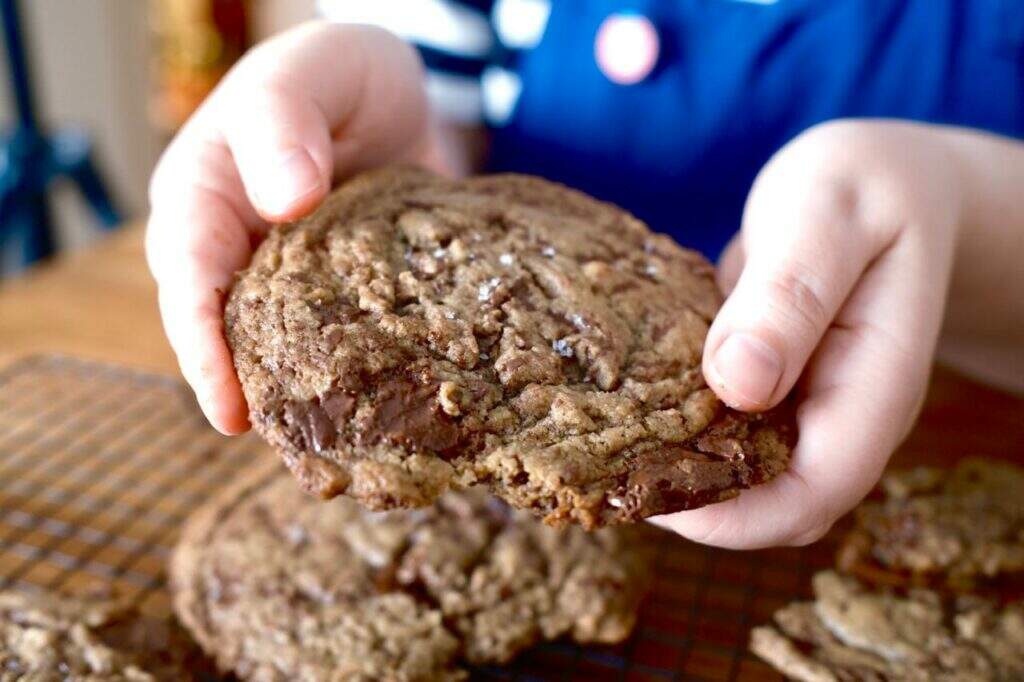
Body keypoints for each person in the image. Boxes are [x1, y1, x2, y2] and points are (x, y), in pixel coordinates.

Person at [146, 3, 1024, 549]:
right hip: (501, 508)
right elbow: (439, 157)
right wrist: (370, 114)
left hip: (951, 447)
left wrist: (957, 203)